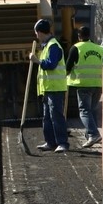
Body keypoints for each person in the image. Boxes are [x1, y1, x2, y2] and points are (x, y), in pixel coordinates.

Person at [30, 18, 70, 153]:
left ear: (40, 32)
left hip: (55, 88)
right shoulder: (47, 46)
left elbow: (51, 65)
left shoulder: (53, 46)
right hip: (47, 88)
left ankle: (62, 143)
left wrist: (37, 61)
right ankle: (50, 142)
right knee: (47, 117)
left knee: (56, 116)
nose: (36, 35)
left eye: (36, 33)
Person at [66, 25, 103, 148]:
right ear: (90, 35)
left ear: (79, 36)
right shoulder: (100, 49)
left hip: (83, 84)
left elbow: (67, 67)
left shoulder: (76, 48)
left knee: (84, 111)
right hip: (98, 85)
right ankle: (90, 137)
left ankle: (93, 134)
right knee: (91, 111)